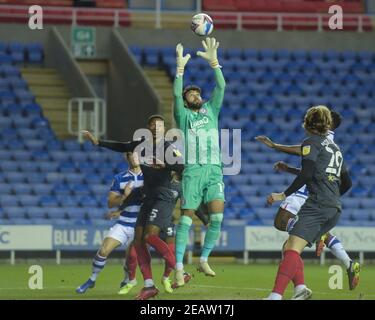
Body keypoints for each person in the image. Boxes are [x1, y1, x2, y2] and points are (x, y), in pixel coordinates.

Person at [255, 110, 360, 291]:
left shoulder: (323, 136)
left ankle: (278, 294)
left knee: (281, 222)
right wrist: (289, 169)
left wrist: (275, 146)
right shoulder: (332, 145)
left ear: (328, 123)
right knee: (288, 248)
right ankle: (301, 288)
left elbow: (305, 154)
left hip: (312, 194)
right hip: (324, 196)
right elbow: (317, 168)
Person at [82, 114, 184, 300]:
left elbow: (183, 167)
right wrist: (98, 142)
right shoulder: (140, 145)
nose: (156, 127)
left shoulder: (169, 148)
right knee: (138, 241)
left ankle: (179, 269)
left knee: (150, 236)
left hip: (163, 195)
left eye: (159, 125)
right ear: (148, 127)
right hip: (148, 196)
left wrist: (166, 164)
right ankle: (149, 285)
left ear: (164, 129)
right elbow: (122, 146)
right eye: (152, 124)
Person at [173, 37, 226, 286]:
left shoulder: (210, 111)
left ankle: (204, 258)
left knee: (217, 219)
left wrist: (214, 63)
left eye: (196, 92)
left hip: (214, 169)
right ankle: (179, 267)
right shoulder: (183, 116)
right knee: (186, 218)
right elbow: (175, 93)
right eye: (190, 94)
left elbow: (222, 87)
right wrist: (180, 70)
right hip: (193, 170)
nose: (194, 95)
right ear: (185, 101)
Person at [76, 152, 142, 294]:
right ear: (127, 157)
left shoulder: (148, 177)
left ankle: (126, 279)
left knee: (131, 256)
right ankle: (92, 279)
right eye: (132, 154)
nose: (135, 157)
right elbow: (110, 203)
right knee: (103, 250)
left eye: (138, 154)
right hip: (123, 223)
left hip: (140, 225)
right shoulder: (119, 178)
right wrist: (124, 195)